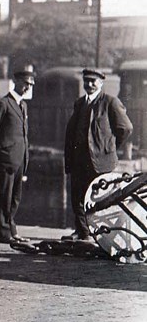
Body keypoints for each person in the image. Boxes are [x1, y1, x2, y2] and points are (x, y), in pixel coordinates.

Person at [63, 67, 133, 240]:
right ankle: (83, 232)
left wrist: (110, 148)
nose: (89, 84)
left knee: (100, 200)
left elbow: (125, 128)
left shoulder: (110, 102)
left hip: (100, 162)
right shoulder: (79, 103)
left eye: (94, 81)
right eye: (86, 80)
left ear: (101, 83)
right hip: (79, 160)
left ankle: (100, 237)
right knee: (78, 198)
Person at [0, 64, 34, 244]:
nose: (27, 87)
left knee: (15, 196)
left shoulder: (23, 105)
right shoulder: (3, 103)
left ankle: (12, 229)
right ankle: (4, 233)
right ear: (15, 82)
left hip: (20, 158)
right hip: (7, 157)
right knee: (4, 195)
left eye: (30, 84)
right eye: (25, 83)